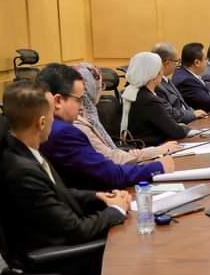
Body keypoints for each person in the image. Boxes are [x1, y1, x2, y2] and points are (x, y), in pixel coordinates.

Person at [0, 81, 130, 253]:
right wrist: (116, 209)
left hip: (64, 239)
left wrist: (99, 196)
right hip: (62, 257)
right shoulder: (22, 171)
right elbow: (75, 230)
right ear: (42, 123)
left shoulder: (22, 150)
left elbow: (54, 193)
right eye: (52, 114)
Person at [37, 63, 173, 191]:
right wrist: (158, 166)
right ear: (58, 101)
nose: (81, 107)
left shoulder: (51, 126)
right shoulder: (64, 132)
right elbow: (109, 174)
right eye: (79, 100)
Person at [73, 63, 180, 164]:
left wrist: (134, 153)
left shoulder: (90, 112)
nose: (101, 92)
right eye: (100, 86)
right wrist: (156, 151)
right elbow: (111, 158)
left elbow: (110, 152)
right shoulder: (80, 121)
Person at [122, 52, 191, 147]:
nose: (162, 73)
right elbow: (177, 132)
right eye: (160, 70)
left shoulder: (131, 92)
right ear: (154, 76)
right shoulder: (149, 101)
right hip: (150, 148)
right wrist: (186, 128)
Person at [152, 42, 206, 123]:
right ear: (167, 63)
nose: (178, 65)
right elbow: (169, 113)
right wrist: (192, 114)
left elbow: (183, 104)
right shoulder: (156, 85)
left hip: (189, 120)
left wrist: (193, 113)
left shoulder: (167, 79)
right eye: (176, 61)